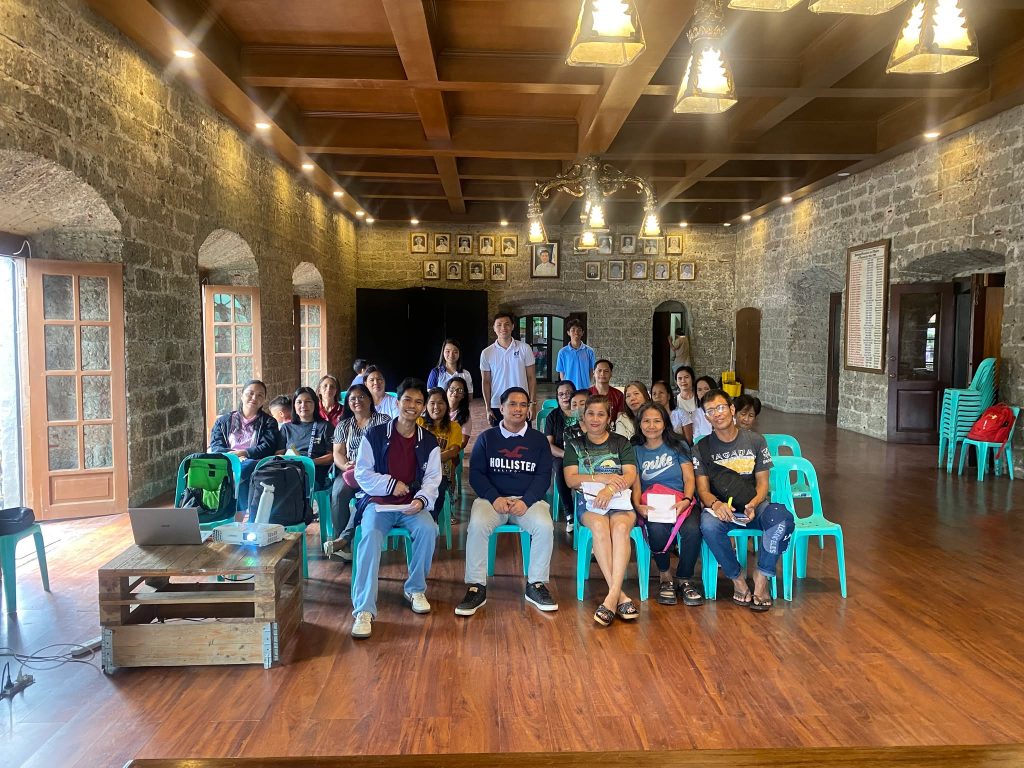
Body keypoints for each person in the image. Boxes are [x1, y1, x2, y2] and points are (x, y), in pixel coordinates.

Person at [350, 378, 441, 638]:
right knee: (369, 538)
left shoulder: (429, 441)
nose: (412, 406)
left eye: (418, 402)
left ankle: (415, 588)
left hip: (412, 506)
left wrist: (421, 500)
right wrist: (391, 484)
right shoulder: (376, 434)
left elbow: (433, 479)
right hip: (379, 506)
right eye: (407, 400)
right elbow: (362, 473)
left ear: (423, 407)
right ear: (397, 402)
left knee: (428, 530)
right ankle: (364, 610)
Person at [456, 387, 557, 617]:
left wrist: (527, 501)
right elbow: (476, 475)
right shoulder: (487, 438)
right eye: (512, 404)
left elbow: (543, 476)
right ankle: (476, 586)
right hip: (492, 500)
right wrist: (494, 497)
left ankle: (536, 585)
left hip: (527, 502)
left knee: (544, 526)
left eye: (523, 404)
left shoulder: (538, 440)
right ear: (501, 408)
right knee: (478, 525)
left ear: (529, 410)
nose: (518, 409)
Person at [695, 389, 794, 612]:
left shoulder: (756, 441)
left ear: (731, 410)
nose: (717, 414)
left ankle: (762, 576)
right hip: (723, 510)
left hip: (754, 505)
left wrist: (754, 503)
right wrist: (716, 505)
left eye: (721, 408)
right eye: (710, 411)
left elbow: (763, 483)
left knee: (782, 519)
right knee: (708, 526)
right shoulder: (701, 448)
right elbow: (703, 490)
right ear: (706, 417)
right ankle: (737, 577)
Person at [563, 394, 638, 626]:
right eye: (590, 414)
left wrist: (609, 490)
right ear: (583, 417)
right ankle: (619, 595)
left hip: (620, 500)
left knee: (621, 526)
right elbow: (571, 480)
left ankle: (612, 597)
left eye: (601, 414)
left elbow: (630, 475)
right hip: (589, 502)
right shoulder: (575, 445)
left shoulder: (621, 443)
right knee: (599, 525)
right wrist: (602, 478)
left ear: (609, 418)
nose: (595, 419)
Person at [630, 402, 703, 607]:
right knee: (656, 529)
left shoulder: (678, 445)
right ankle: (665, 576)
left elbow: (689, 478)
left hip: (682, 501)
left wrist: (686, 500)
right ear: (639, 424)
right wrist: (638, 506)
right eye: (646, 421)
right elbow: (635, 483)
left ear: (665, 424)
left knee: (693, 529)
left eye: (657, 421)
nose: (651, 426)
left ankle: (685, 578)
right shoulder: (634, 449)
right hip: (651, 504)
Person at [323, 384, 389, 561]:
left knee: (365, 498)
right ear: (348, 403)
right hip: (350, 472)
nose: (357, 401)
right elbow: (338, 452)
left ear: (370, 399)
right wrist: (346, 466)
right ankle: (341, 545)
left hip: (376, 472)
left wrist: (367, 466)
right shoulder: (344, 425)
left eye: (361, 397)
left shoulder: (383, 421)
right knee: (338, 492)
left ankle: (346, 540)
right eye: (352, 398)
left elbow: (389, 449)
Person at [208, 379, 280, 508]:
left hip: (252, 462)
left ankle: (229, 488)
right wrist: (234, 456)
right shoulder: (224, 421)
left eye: (260, 395)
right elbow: (216, 445)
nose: (254, 398)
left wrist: (244, 453)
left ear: (264, 400)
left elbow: (267, 447)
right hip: (228, 461)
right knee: (242, 478)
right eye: (250, 393)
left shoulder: (269, 422)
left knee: (248, 467)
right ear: (242, 395)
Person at [480, 311, 536, 427]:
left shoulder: (524, 348)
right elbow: (486, 381)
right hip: (498, 404)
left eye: (507, 324)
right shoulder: (487, 353)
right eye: (499, 325)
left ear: (512, 326)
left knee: (524, 441)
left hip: (522, 403)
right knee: (500, 442)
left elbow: (531, 378)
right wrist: (487, 408)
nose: (503, 328)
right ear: (494, 328)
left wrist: (532, 403)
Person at [277, 386, 334, 492]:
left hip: (314, 472)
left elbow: (332, 456)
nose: (303, 406)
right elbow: (278, 454)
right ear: (294, 405)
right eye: (299, 402)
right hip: (289, 469)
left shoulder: (325, 426)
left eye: (308, 401)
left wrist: (310, 462)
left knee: (294, 485)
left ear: (315, 404)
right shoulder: (286, 428)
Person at [418, 387, 462, 520]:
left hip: (441, 473)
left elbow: (453, 451)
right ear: (426, 405)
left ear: (446, 405)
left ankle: (431, 520)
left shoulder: (454, 427)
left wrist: (429, 459)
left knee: (438, 488)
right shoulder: (418, 423)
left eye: (440, 403)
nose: (436, 407)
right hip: (417, 471)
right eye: (432, 403)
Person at [544, 380, 577, 532]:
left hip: (585, 454)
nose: (565, 397)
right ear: (557, 398)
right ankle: (569, 512)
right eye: (561, 394)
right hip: (560, 454)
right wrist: (567, 455)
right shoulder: (553, 416)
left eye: (569, 393)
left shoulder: (582, 413)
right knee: (559, 466)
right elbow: (548, 445)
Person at [555, 318, 596, 391]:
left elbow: (591, 370)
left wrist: (588, 384)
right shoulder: (563, 352)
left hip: (585, 388)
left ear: (582, 332)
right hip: (569, 389)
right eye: (573, 330)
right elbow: (562, 373)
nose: (576, 332)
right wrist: (565, 387)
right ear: (568, 332)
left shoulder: (589, 351)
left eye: (579, 330)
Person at [692, 375, 718, 442]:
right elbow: (696, 438)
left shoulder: (724, 409)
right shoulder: (696, 413)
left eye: (706, 389)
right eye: (699, 390)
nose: (703, 392)